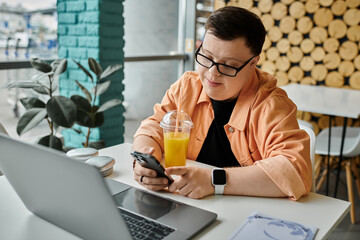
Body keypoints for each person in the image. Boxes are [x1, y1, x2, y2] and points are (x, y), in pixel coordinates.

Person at [132, 6, 312, 201]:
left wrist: (214, 181)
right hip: (184, 203)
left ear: (253, 63)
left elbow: (295, 171)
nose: (212, 72)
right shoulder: (187, 87)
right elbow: (152, 126)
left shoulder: (271, 105)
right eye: (206, 57)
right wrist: (144, 162)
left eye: (227, 65)